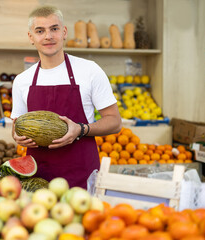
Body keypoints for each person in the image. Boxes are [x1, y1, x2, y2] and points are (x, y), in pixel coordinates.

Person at [11, 5, 122, 189]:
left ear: (64, 32)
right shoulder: (23, 80)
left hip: (81, 176)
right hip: (39, 178)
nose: (48, 36)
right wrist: (17, 136)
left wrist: (80, 129)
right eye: (40, 31)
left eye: (54, 29)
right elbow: (16, 125)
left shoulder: (90, 70)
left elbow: (115, 122)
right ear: (31, 37)